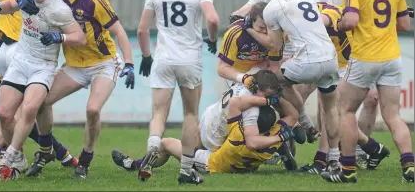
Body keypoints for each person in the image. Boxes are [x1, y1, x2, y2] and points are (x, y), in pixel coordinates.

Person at [29, 0, 135, 180]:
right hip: (75, 66)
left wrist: (130, 63)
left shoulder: (95, 0)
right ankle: (46, 151)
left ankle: (84, 162)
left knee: (93, 110)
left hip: (103, 64)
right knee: (40, 102)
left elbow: (120, 33)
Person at [321, 0, 414, 183]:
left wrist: (340, 23)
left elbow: (350, 21)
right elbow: (404, 24)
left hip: (365, 57)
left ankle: (348, 171)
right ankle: (409, 166)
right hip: (392, 58)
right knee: (393, 115)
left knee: (346, 110)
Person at [0, 0, 86, 181]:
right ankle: (20, 158)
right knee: (5, 115)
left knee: (31, 107)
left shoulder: (59, 9)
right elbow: (12, 2)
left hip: (43, 66)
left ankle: (9, 158)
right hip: (20, 62)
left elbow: (80, 37)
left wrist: (59, 37)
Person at [136, 0, 219, 185]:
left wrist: (146, 56)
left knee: (159, 112)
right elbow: (212, 19)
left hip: (163, 58)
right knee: (190, 113)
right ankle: (185, 170)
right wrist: (212, 40)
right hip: (189, 59)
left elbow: (142, 29)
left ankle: (153, 144)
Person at [246, 0, 341, 173]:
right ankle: (334, 160)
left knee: (272, 81)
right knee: (331, 108)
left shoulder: (272, 8)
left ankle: (302, 123)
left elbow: (275, 46)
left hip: (307, 61)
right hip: (330, 57)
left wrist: (250, 30)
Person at [112, 70, 297, 174]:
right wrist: (281, 135)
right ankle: (285, 160)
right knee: (182, 148)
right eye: (269, 95)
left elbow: (237, 98)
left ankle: (135, 164)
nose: (273, 99)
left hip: (212, 122)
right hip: (217, 135)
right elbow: (257, 137)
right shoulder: (254, 117)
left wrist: (245, 80)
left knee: (168, 144)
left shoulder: (248, 88)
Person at [313, 0, 380, 169]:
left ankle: (361, 151)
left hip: (356, 57)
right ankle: (324, 154)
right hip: (328, 59)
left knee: (371, 98)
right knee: (325, 102)